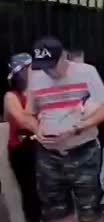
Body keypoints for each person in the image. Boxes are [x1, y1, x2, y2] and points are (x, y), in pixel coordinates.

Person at [28, 37, 104, 222]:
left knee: (90, 210)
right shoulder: (35, 77)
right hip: (49, 156)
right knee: (55, 210)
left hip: (84, 151)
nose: (49, 71)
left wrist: (77, 129)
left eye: (52, 65)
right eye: (44, 66)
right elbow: (30, 113)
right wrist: (37, 129)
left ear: (64, 57)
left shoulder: (87, 72)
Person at [3, 53, 41, 222]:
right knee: (30, 194)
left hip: (41, 148)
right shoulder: (11, 96)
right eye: (31, 68)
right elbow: (22, 120)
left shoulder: (38, 92)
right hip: (22, 151)